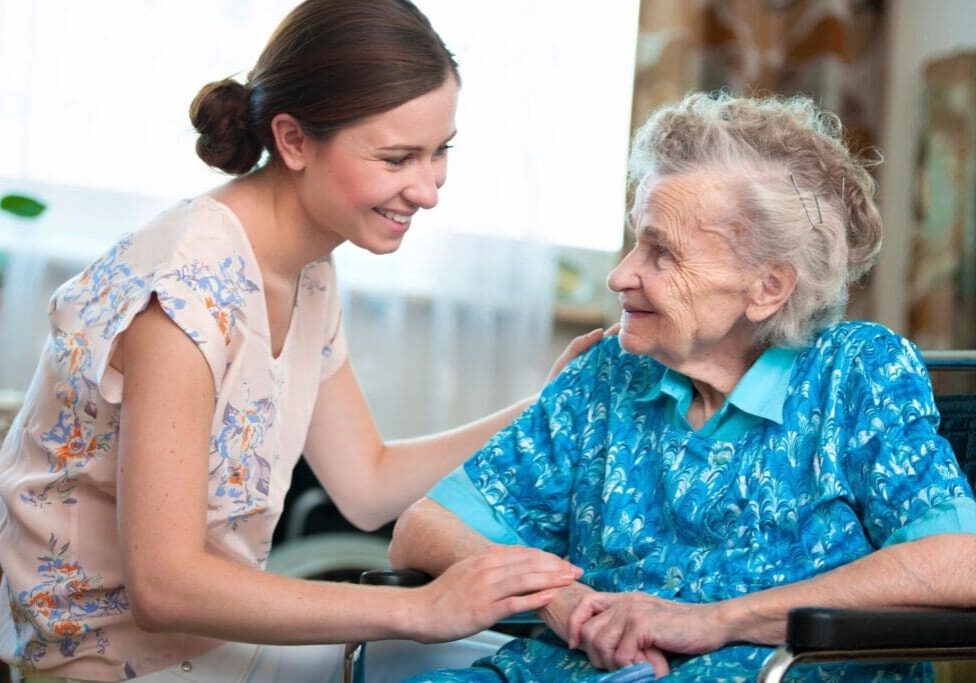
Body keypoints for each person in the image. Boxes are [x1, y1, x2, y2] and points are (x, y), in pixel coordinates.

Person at [0, 1, 603, 681]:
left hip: (208, 647)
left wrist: (549, 401)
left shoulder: (306, 265)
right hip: (102, 661)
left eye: (441, 152)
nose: (429, 189)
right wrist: (423, 608)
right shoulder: (184, 292)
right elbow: (164, 585)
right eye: (397, 157)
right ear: (292, 140)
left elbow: (367, 483)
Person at [388, 91, 976, 681]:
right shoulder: (609, 373)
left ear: (767, 287)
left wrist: (714, 621)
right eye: (636, 240)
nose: (622, 276)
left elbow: (959, 562)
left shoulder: (856, 374)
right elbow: (423, 529)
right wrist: (560, 603)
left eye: (662, 253)